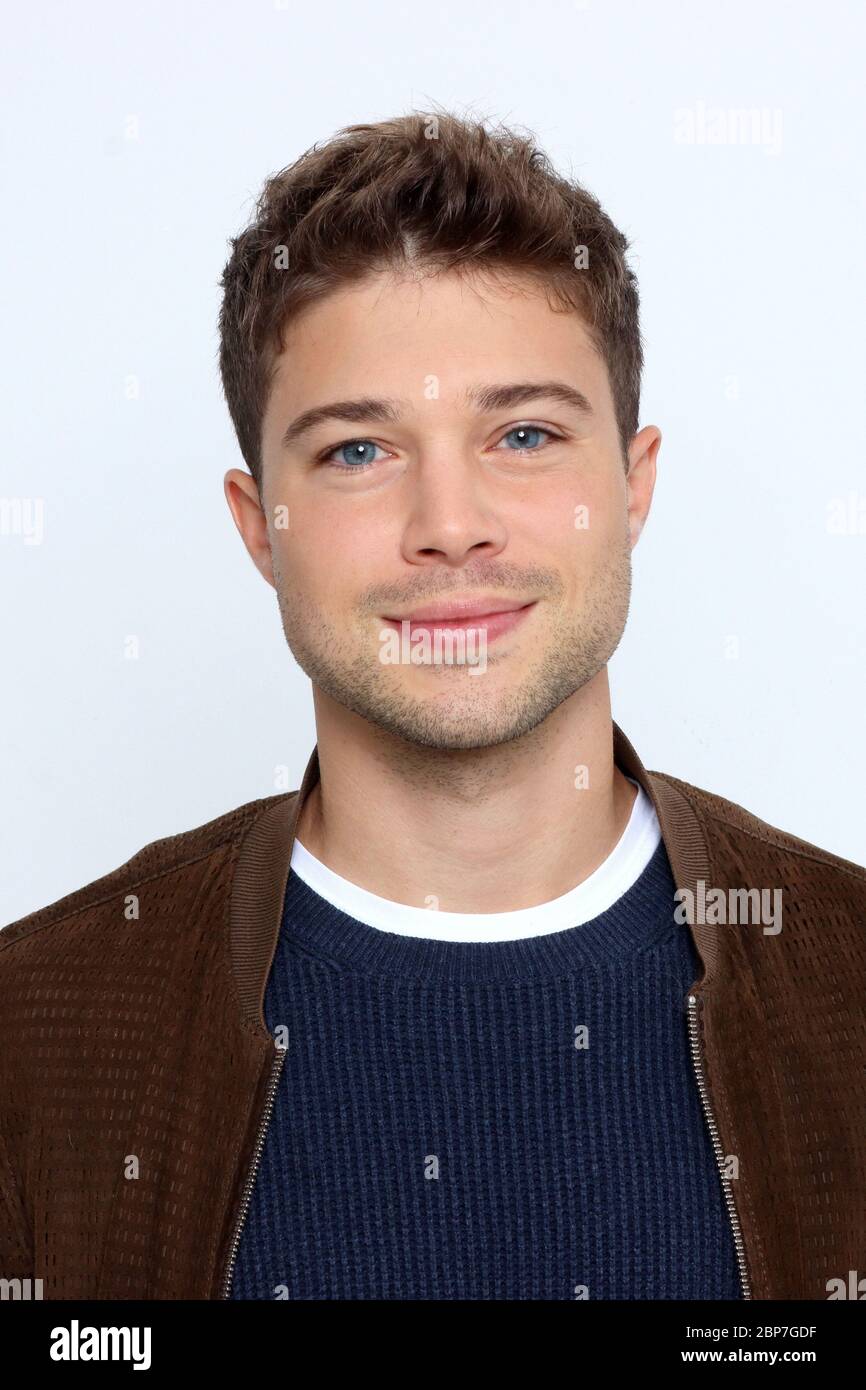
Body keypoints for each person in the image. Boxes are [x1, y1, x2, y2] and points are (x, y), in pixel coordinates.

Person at [1, 111, 863, 1302]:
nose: (449, 524)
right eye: (358, 450)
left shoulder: (846, 981)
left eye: (522, 433)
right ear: (261, 528)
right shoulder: (34, 1032)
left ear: (630, 484)